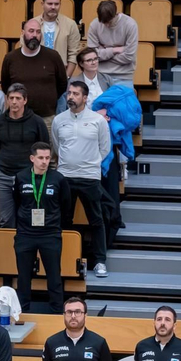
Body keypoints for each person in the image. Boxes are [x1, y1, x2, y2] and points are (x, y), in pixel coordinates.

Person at [51, 80, 111, 276]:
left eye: (76, 94)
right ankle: (64, 258)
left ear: (85, 98)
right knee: (63, 219)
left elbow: (105, 148)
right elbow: (56, 145)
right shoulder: (59, 120)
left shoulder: (98, 120)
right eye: (69, 93)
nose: (71, 97)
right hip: (65, 176)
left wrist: (91, 164)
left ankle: (100, 261)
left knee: (96, 220)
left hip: (89, 177)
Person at [13, 142, 69, 310]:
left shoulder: (58, 179)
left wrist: (56, 225)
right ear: (32, 158)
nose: (44, 161)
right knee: (23, 276)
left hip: (50, 234)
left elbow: (66, 206)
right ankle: (22, 310)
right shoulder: (21, 177)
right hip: (25, 234)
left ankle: (58, 311)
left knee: (54, 276)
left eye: (47, 158)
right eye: (40, 158)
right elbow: (17, 201)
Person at [0, 84, 49, 228]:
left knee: (29, 219)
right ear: (7, 99)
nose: (14, 102)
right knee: (6, 220)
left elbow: (43, 148)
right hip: (3, 176)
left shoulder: (37, 122)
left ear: (25, 100)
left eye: (18, 98)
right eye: (11, 98)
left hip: (28, 177)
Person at [1, 18, 68, 128]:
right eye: (31, 31)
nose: (35, 35)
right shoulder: (11, 58)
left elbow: (62, 84)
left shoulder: (53, 56)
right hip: (19, 118)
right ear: (23, 33)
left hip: (47, 119)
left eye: (38, 32)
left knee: (47, 145)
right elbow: (6, 86)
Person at [87, 0, 137, 84]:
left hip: (124, 76)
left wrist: (103, 51)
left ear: (116, 14)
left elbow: (129, 57)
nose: (106, 25)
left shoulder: (130, 24)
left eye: (109, 22)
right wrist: (114, 50)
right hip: (99, 75)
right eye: (103, 22)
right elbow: (91, 56)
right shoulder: (94, 25)